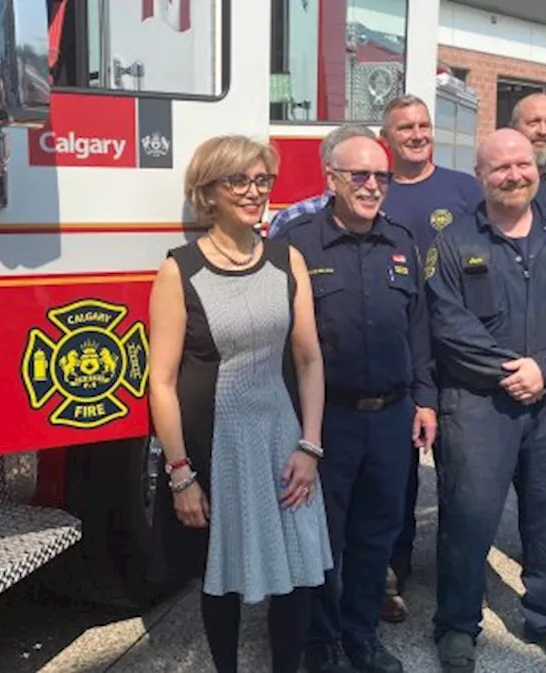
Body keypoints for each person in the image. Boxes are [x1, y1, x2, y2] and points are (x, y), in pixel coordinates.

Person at [147, 135, 333, 673]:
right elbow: (160, 382)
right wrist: (180, 473)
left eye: (261, 180)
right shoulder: (178, 270)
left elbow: (309, 359)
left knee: (296, 566)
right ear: (207, 192)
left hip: (282, 437)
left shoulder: (286, 259)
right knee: (221, 572)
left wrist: (310, 444)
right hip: (215, 445)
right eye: (238, 181)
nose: (254, 193)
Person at [426, 128, 546, 673]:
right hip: (480, 403)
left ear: (538, 167)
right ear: (481, 177)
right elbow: (446, 321)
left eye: (522, 164)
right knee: (468, 516)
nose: (513, 175)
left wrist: (545, 370)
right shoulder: (453, 241)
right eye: (499, 168)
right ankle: (457, 625)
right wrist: (512, 371)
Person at [270, 133, 438, 673]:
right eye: (359, 176)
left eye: (380, 177)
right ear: (331, 178)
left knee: (375, 536)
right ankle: (319, 644)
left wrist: (425, 401)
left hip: (390, 420)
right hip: (327, 422)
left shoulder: (403, 241)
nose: (371, 187)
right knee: (321, 538)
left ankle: (360, 636)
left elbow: (419, 329)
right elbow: (278, 342)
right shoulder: (297, 243)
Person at [373, 94, 483, 623]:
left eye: (423, 125)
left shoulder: (464, 189)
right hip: (397, 351)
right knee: (397, 473)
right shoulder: (376, 190)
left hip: (456, 349)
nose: (417, 134)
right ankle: (391, 573)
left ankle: (459, 574)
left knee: (461, 471)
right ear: (386, 137)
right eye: (404, 128)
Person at [266, 125, 378, 237]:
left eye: (378, 173)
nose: (372, 184)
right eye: (360, 173)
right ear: (332, 175)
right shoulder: (291, 219)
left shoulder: (387, 223)